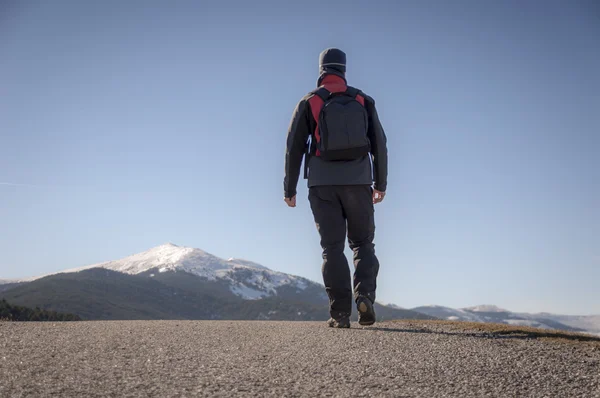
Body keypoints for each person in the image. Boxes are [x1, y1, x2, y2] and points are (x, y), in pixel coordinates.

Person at [283, 48, 388, 328]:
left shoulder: (310, 102)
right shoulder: (362, 100)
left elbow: (293, 147)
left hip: (322, 183)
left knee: (332, 249)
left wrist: (289, 188)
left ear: (321, 70)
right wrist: (380, 184)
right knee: (363, 243)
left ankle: (340, 314)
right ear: (343, 69)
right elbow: (380, 144)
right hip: (359, 182)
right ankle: (364, 295)